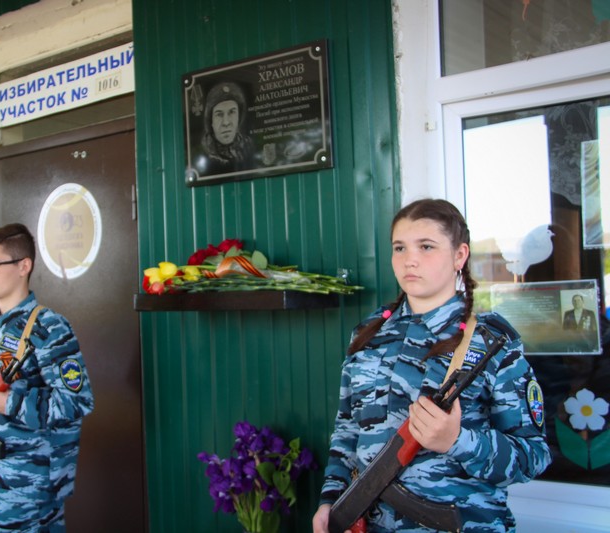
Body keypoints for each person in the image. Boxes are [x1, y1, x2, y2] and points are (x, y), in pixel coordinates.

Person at [312, 199, 551, 532]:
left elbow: (533, 457)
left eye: (426, 246)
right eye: (399, 247)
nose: (410, 259)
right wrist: (332, 500)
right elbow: (347, 431)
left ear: (459, 255)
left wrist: (457, 440)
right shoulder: (368, 334)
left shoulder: (490, 342)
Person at [0, 223, 94, 532]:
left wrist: (11, 402)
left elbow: (77, 402)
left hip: (28, 491)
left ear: (24, 266)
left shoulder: (51, 328)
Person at [200, 81, 254, 174]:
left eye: (232, 112)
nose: (226, 122)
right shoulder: (204, 152)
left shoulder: (248, 146)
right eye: (219, 114)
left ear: (239, 117)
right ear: (211, 121)